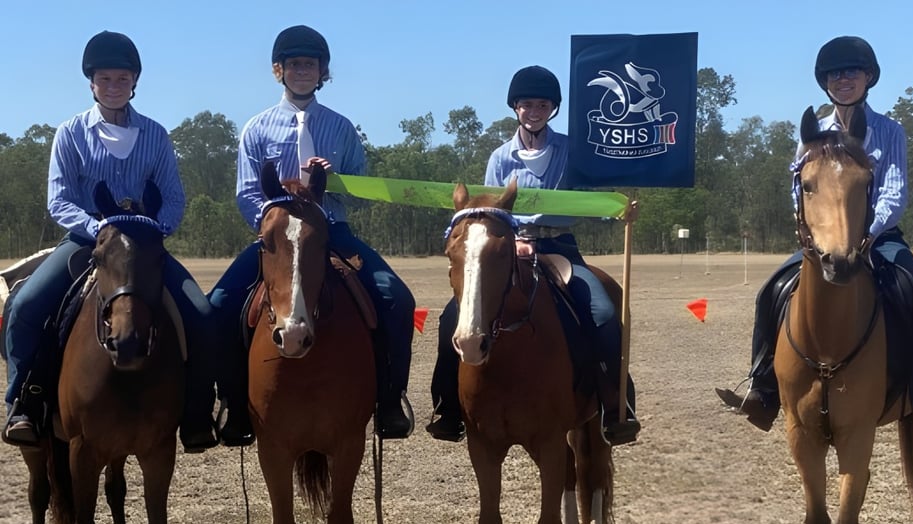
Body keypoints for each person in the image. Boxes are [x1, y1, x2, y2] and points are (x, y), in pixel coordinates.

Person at [716, 35, 913, 430]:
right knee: (771, 290)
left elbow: (894, 192)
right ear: (825, 81)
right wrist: (816, 231)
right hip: (822, 243)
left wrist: (863, 231)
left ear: (868, 77)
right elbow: (798, 187)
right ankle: (762, 387)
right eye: (834, 74)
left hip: (878, 238)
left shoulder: (890, 131)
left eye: (851, 72)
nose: (843, 79)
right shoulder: (811, 134)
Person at [3, 31, 219, 452]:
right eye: (105, 79)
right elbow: (59, 199)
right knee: (26, 307)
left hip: (144, 247)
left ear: (134, 81)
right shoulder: (69, 134)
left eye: (122, 79)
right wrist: (98, 230)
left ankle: (195, 411)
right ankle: (23, 403)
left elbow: (174, 197)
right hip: (86, 244)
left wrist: (155, 231)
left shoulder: (156, 135)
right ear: (91, 83)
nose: (114, 86)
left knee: (203, 314)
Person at [208, 25, 415, 445]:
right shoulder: (256, 129)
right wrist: (274, 225)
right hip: (279, 236)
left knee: (396, 298)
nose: (303, 71)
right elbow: (248, 193)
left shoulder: (342, 128)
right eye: (295, 64)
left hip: (333, 231)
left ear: (323, 72)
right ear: (278, 70)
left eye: (311, 64)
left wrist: (337, 182)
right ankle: (232, 402)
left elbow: (362, 190)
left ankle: (390, 401)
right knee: (218, 304)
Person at [426, 65, 641, 446]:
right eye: (527, 104)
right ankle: (449, 408)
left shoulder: (573, 151)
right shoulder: (498, 158)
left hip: (559, 247)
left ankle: (615, 402)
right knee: (449, 318)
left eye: (542, 104)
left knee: (604, 313)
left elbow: (591, 199)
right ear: (515, 108)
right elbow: (488, 214)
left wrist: (622, 208)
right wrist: (514, 240)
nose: (534, 111)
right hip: (508, 250)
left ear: (553, 108)